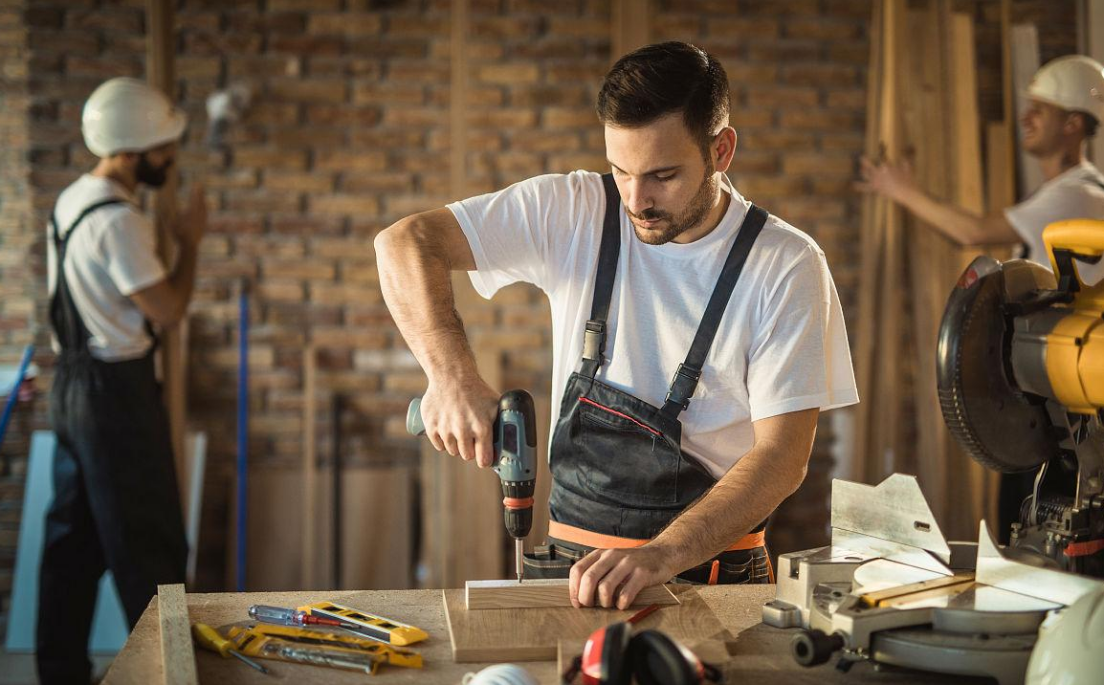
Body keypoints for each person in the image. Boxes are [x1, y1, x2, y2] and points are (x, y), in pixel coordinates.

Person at [376, 41, 858, 610]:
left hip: (708, 577)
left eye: (663, 175)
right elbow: (405, 243)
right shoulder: (576, 210)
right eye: (620, 170)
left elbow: (782, 458)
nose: (636, 199)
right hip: (569, 571)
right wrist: (450, 377)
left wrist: (661, 554)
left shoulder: (785, 265)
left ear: (722, 149)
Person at [856, 55, 1104, 539]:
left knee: (1048, 531)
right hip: (1052, 398)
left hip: (1069, 407)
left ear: (1074, 124)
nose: (1026, 117)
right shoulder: (1062, 193)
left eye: (1043, 110)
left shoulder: (1079, 195)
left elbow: (972, 231)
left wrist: (898, 188)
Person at [39, 77, 205, 684]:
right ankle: (171, 674)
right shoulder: (119, 223)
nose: (170, 159)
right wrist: (190, 245)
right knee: (151, 547)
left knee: (72, 545)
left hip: (72, 388)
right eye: (164, 148)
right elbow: (166, 309)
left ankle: (58, 673)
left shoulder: (71, 200)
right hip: (116, 393)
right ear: (134, 151)